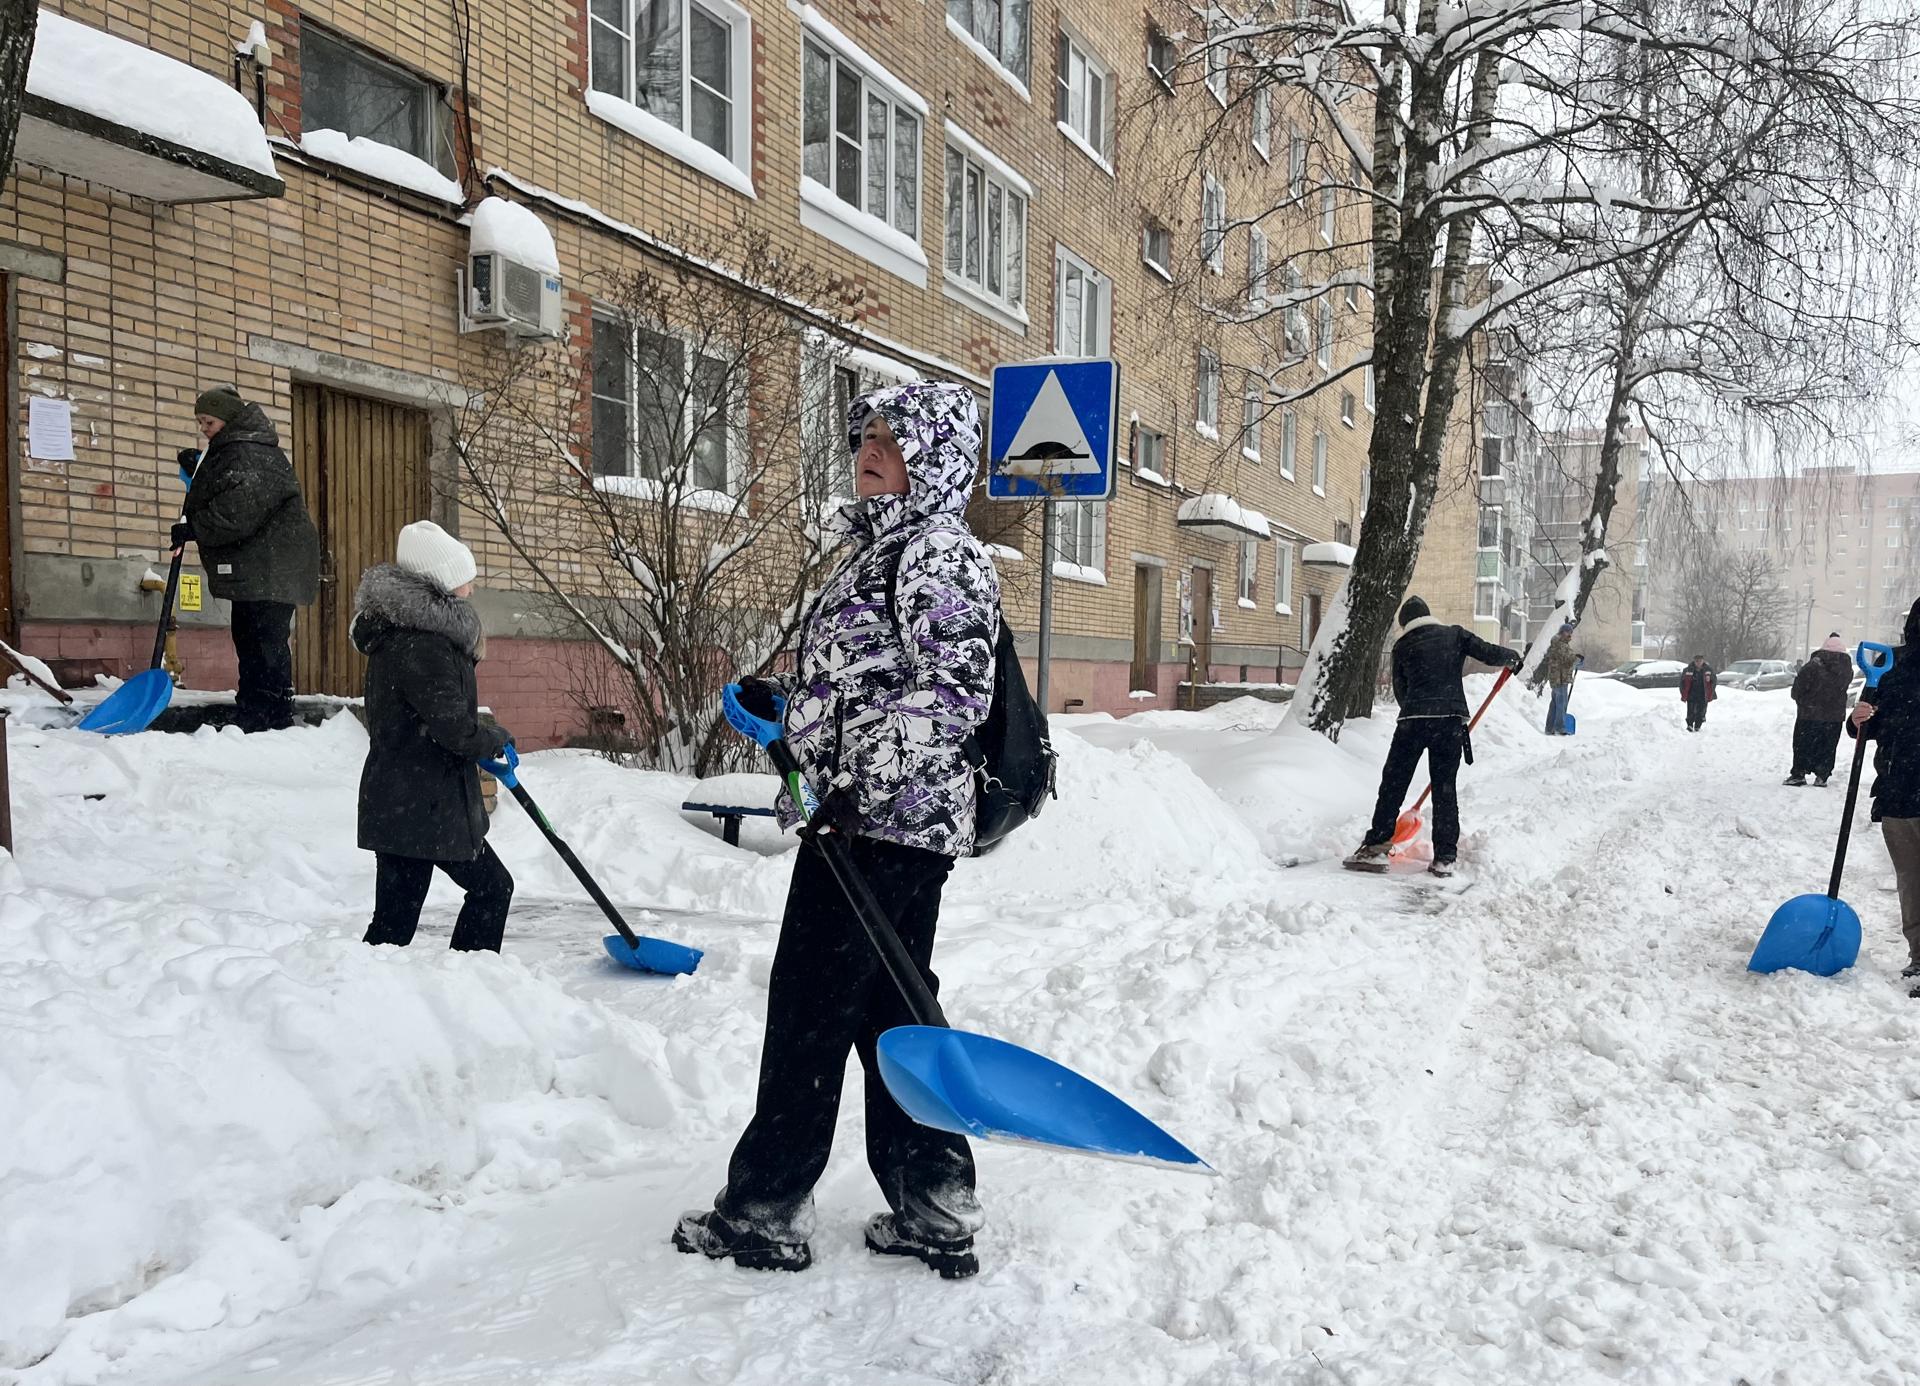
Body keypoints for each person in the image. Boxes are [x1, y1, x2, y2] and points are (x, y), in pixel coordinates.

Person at [674, 382, 999, 1279]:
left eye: (894, 439)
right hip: (875, 821)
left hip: (879, 827)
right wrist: (795, 715)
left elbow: (954, 697)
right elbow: (875, 684)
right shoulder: (887, 550)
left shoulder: (936, 553)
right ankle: (933, 1202)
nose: (871, 447)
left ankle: (762, 1212)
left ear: (933, 457)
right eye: (866, 433)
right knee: (894, 1010)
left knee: (812, 1011)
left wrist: (850, 777)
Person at [354, 521, 514, 954]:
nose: (473, 587)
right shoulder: (424, 646)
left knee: (392, 927)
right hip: (425, 805)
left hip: (404, 802)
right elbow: (454, 731)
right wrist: (493, 736)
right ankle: (466, 983)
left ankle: (362, 999)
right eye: (466, 578)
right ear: (442, 585)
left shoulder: (403, 635)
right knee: (491, 890)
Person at [173, 385, 321, 733]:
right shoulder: (237, 449)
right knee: (250, 636)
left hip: (275, 565)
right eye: (200, 422)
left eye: (208, 422)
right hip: (261, 566)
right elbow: (230, 487)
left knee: (265, 640)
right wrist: (199, 470)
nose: (203, 429)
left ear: (227, 418)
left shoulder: (251, 451)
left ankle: (273, 714)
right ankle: (254, 708)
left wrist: (194, 527)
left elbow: (239, 510)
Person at [1344, 596, 1522, 877]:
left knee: (1394, 783)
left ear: (1405, 623)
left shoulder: (1402, 646)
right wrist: (1511, 658)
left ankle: (1376, 846)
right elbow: (1488, 652)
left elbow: (1401, 690)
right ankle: (1445, 858)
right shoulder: (1454, 634)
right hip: (1449, 723)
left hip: (1412, 722)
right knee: (1444, 789)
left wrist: (1418, 709)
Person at [1849, 599, 1920, 995]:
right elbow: (1863, 725)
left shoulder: (1893, 665)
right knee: (1911, 880)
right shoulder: (1890, 666)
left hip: (1900, 788)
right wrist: (1857, 718)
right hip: (1900, 791)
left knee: (1913, 880)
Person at [1787, 633, 1852, 787]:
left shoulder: (1812, 666)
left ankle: (1799, 773)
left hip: (1809, 714)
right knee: (1828, 746)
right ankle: (1822, 775)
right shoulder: (1846, 669)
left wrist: (1803, 702)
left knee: (1802, 744)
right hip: (1834, 717)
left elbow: (1798, 689)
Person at [1544, 621, 1578, 735]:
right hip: (1560, 678)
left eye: (1571, 633)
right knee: (1561, 704)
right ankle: (1560, 727)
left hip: (1558, 677)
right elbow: (1566, 659)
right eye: (1568, 632)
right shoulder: (1560, 644)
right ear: (1562, 632)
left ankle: (1550, 728)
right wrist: (1576, 658)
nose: (1569, 635)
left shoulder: (1558, 643)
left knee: (1555, 703)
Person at [1681, 655, 1715, 732]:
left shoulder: (1708, 670)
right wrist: (1683, 693)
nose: (1698, 663)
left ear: (1703, 661)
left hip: (1703, 694)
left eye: (1700, 661)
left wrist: (1711, 691)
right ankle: (1689, 725)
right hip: (1691, 694)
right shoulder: (1687, 670)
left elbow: (1714, 681)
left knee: (1701, 711)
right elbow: (1682, 683)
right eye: (1697, 661)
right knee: (1691, 711)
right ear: (1694, 661)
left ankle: (1697, 726)